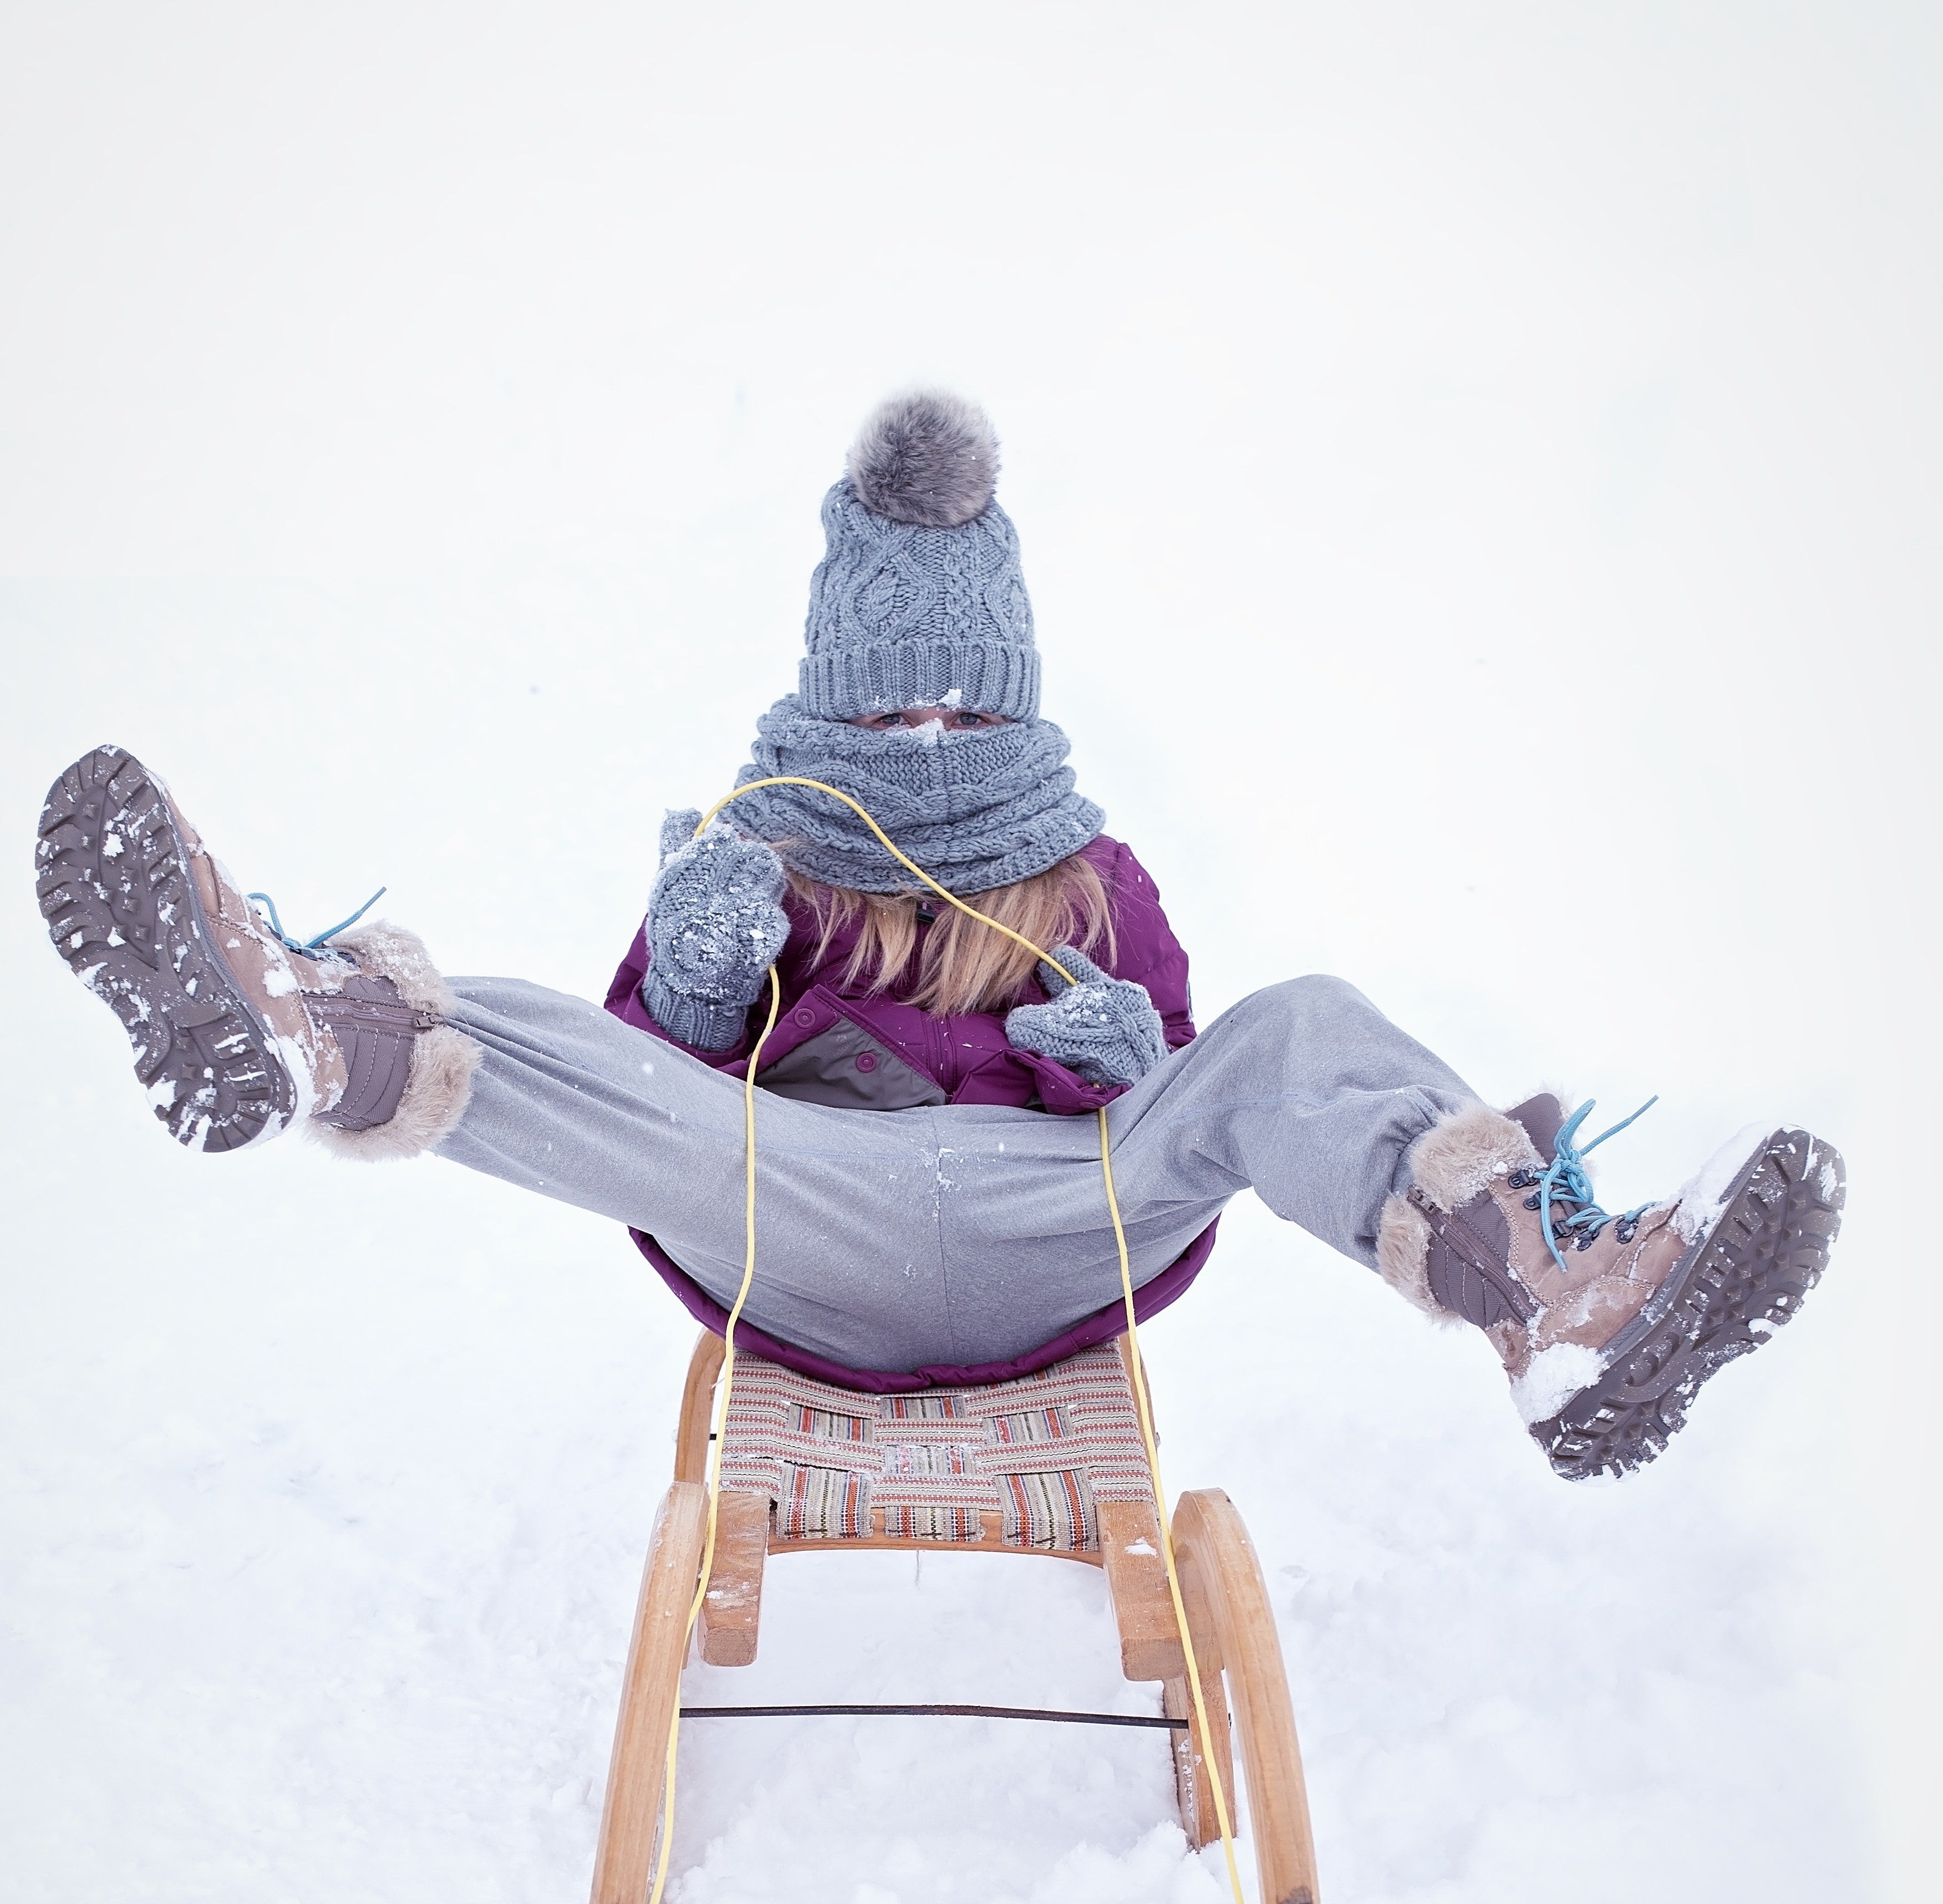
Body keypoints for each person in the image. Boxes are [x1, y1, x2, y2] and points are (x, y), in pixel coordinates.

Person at [33, 390, 1842, 1479]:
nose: (926, 755)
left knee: (1298, 1028)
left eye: (963, 720)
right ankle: (287, 1024)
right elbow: (652, 1120)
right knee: (509, 1023)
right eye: (891, 720)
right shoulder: (761, 843)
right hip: (799, 1224)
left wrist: (1140, 1063)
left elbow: (1216, 1090)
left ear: (1017, 711)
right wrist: (697, 977)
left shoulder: (1089, 874)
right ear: (833, 702)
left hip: (1066, 1233)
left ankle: (1552, 1297)